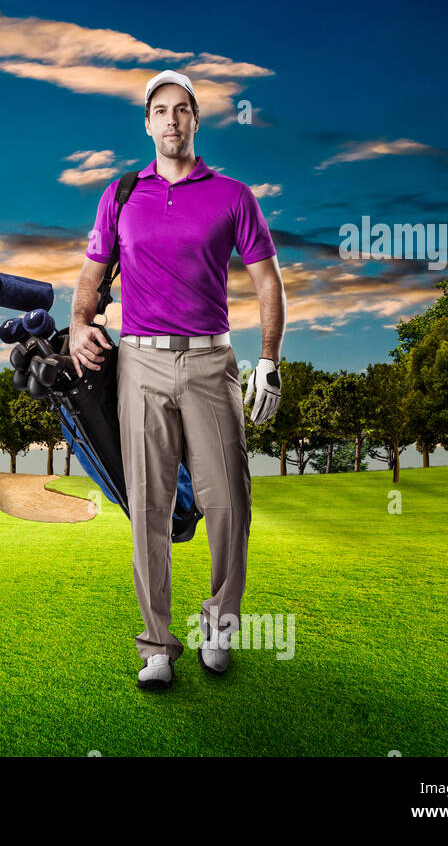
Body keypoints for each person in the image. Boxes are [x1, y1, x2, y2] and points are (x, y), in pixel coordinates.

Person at [68, 70, 287, 691]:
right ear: (147, 122)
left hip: (212, 363)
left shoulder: (233, 195)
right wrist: (81, 323)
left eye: (181, 110)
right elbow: (90, 275)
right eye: (160, 111)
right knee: (149, 508)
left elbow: (267, 282)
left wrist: (268, 359)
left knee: (230, 503)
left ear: (196, 121)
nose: (171, 120)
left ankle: (218, 629)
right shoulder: (122, 192)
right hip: (139, 362)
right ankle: (157, 645)